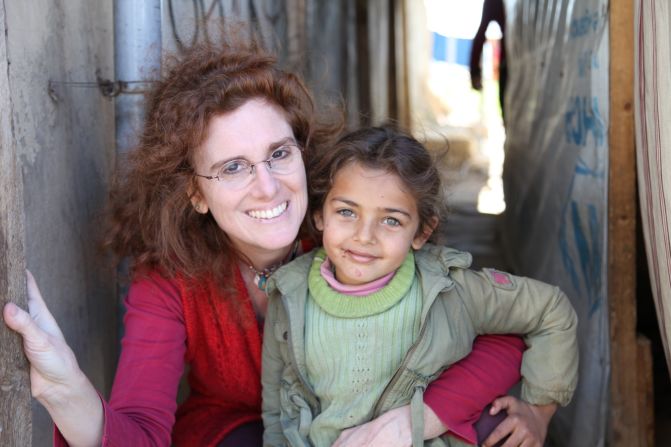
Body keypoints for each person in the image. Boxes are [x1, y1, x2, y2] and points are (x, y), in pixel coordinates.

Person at [3, 39, 554, 447]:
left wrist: (418, 420)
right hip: (242, 433)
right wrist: (65, 391)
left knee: (486, 428)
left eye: (278, 154)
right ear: (195, 192)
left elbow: (498, 337)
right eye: (234, 166)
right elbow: (142, 435)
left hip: (372, 419)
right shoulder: (169, 280)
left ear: (302, 151)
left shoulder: (348, 229)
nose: (268, 186)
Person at [262, 126, 578, 447]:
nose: (364, 235)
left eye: (391, 220)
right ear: (319, 215)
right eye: (346, 212)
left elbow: (550, 309)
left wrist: (539, 412)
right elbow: (277, 412)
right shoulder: (289, 294)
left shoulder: (448, 289)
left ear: (421, 233)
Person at [469, 0, 507, 117]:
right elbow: (481, 34)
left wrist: (474, 71)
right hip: (509, 66)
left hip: (510, 65)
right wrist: (475, 71)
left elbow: (481, 34)